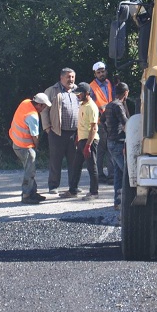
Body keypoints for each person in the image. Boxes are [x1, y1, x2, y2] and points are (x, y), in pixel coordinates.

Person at [41, 68, 81, 194]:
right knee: (55, 161)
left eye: (73, 77)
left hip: (74, 132)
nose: (71, 80)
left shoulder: (78, 91)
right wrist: (47, 127)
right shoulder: (52, 91)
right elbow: (44, 110)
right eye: (69, 77)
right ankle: (53, 186)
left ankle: (73, 187)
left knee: (74, 162)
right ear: (61, 77)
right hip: (57, 132)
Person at [9, 92, 52, 204]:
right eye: (44, 106)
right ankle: (27, 195)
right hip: (25, 146)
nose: (44, 108)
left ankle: (32, 192)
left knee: (30, 169)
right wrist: (36, 147)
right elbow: (35, 136)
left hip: (16, 142)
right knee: (30, 171)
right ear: (39, 104)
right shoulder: (33, 115)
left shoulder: (25, 102)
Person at [62, 82, 99, 200]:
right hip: (82, 139)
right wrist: (78, 137)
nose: (77, 95)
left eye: (79, 93)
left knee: (91, 167)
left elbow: (94, 128)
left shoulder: (92, 107)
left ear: (87, 94)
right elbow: (82, 123)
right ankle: (73, 190)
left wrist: (88, 145)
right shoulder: (82, 104)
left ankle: (94, 193)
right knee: (76, 165)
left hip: (90, 141)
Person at [105, 82, 130, 210]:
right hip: (118, 142)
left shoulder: (109, 105)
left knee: (118, 173)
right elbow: (126, 123)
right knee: (127, 172)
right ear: (125, 93)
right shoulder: (118, 106)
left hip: (110, 141)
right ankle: (125, 202)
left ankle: (118, 202)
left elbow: (103, 121)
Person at [88, 61, 114, 184]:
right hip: (99, 122)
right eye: (98, 72)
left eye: (102, 71)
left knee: (109, 149)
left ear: (106, 71)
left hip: (110, 121)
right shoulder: (91, 87)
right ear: (95, 74)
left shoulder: (109, 83)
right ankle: (101, 175)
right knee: (101, 150)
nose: (101, 74)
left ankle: (110, 175)